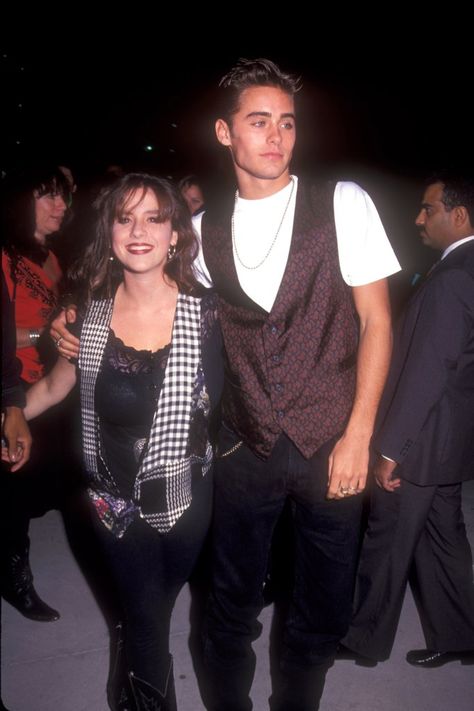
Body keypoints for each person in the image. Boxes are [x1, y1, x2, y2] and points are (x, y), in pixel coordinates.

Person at [50, 59, 401, 711]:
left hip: (333, 441)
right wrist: (72, 317)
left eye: (287, 122)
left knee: (322, 607)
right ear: (224, 132)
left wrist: (361, 435)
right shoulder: (203, 231)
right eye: (258, 121)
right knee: (229, 608)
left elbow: (377, 321)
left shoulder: (344, 200)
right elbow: (140, 284)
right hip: (242, 447)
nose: (276, 136)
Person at [23, 173, 223, 710]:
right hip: (112, 500)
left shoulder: (210, 315)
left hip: (188, 497)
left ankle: (129, 667)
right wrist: (12, 409)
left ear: (175, 234)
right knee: (144, 616)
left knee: (155, 606)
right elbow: (50, 386)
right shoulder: (88, 314)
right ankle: (144, 691)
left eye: (155, 218)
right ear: (109, 232)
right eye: (124, 217)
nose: (139, 231)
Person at [340, 172, 474, 668]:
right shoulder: (463, 269)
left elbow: (427, 371)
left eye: (429, 209)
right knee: (444, 539)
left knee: (386, 541)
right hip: (449, 440)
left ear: (459, 216)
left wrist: (391, 448)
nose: (419, 218)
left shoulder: (455, 276)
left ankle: (361, 639)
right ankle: (460, 635)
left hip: (422, 441)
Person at [1, 163, 72, 623]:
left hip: (47, 384)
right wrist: (42, 336)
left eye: (63, 196)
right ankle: (14, 579)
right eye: (48, 196)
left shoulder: (49, 254)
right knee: (13, 493)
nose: (61, 206)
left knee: (42, 480)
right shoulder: (5, 255)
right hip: (13, 385)